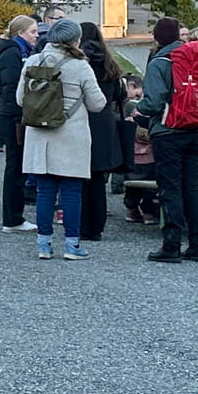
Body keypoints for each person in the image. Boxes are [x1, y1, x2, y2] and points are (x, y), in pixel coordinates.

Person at [19, 19, 107, 260]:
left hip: (39, 135)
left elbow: (20, 99)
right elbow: (98, 104)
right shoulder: (80, 66)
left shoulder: (33, 62)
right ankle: (72, 244)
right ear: (75, 40)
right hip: (71, 135)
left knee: (45, 190)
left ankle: (44, 244)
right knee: (71, 191)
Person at [134, 16, 198, 263]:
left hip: (168, 130)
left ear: (157, 37)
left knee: (170, 187)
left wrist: (140, 109)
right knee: (192, 187)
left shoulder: (160, 62)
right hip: (194, 130)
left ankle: (171, 244)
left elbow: (155, 100)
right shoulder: (192, 58)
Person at [0, 14, 38, 229]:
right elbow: (10, 87)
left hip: (14, 113)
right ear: (20, 33)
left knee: (18, 165)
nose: (36, 36)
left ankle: (14, 216)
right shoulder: (13, 53)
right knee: (15, 165)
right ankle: (12, 218)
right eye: (33, 32)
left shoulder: (20, 51)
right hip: (14, 115)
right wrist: (19, 113)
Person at [79, 22, 124, 242]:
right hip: (105, 123)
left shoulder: (79, 62)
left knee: (78, 176)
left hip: (82, 119)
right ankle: (96, 226)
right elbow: (118, 94)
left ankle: (81, 223)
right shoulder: (109, 63)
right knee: (97, 178)